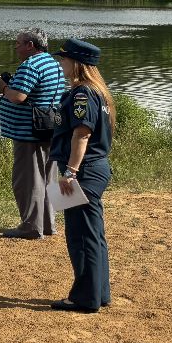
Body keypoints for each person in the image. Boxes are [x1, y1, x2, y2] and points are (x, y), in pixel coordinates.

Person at [49, 39, 115, 313]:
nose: (60, 63)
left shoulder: (82, 95)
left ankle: (84, 298)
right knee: (93, 234)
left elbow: (82, 134)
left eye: (64, 59)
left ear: (76, 63)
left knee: (81, 235)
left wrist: (70, 172)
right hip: (95, 168)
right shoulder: (98, 93)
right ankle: (99, 292)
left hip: (83, 170)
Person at [0, 28, 64, 239]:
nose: (15, 47)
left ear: (30, 45)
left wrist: (4, 88)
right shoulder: (54, 63)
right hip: (51, 127)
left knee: (27, 180)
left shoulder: (31, 65)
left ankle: (31, 227)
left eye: (18, 43)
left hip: (29, 133)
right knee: (48, 177)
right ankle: (48, 224)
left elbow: (19, 97)